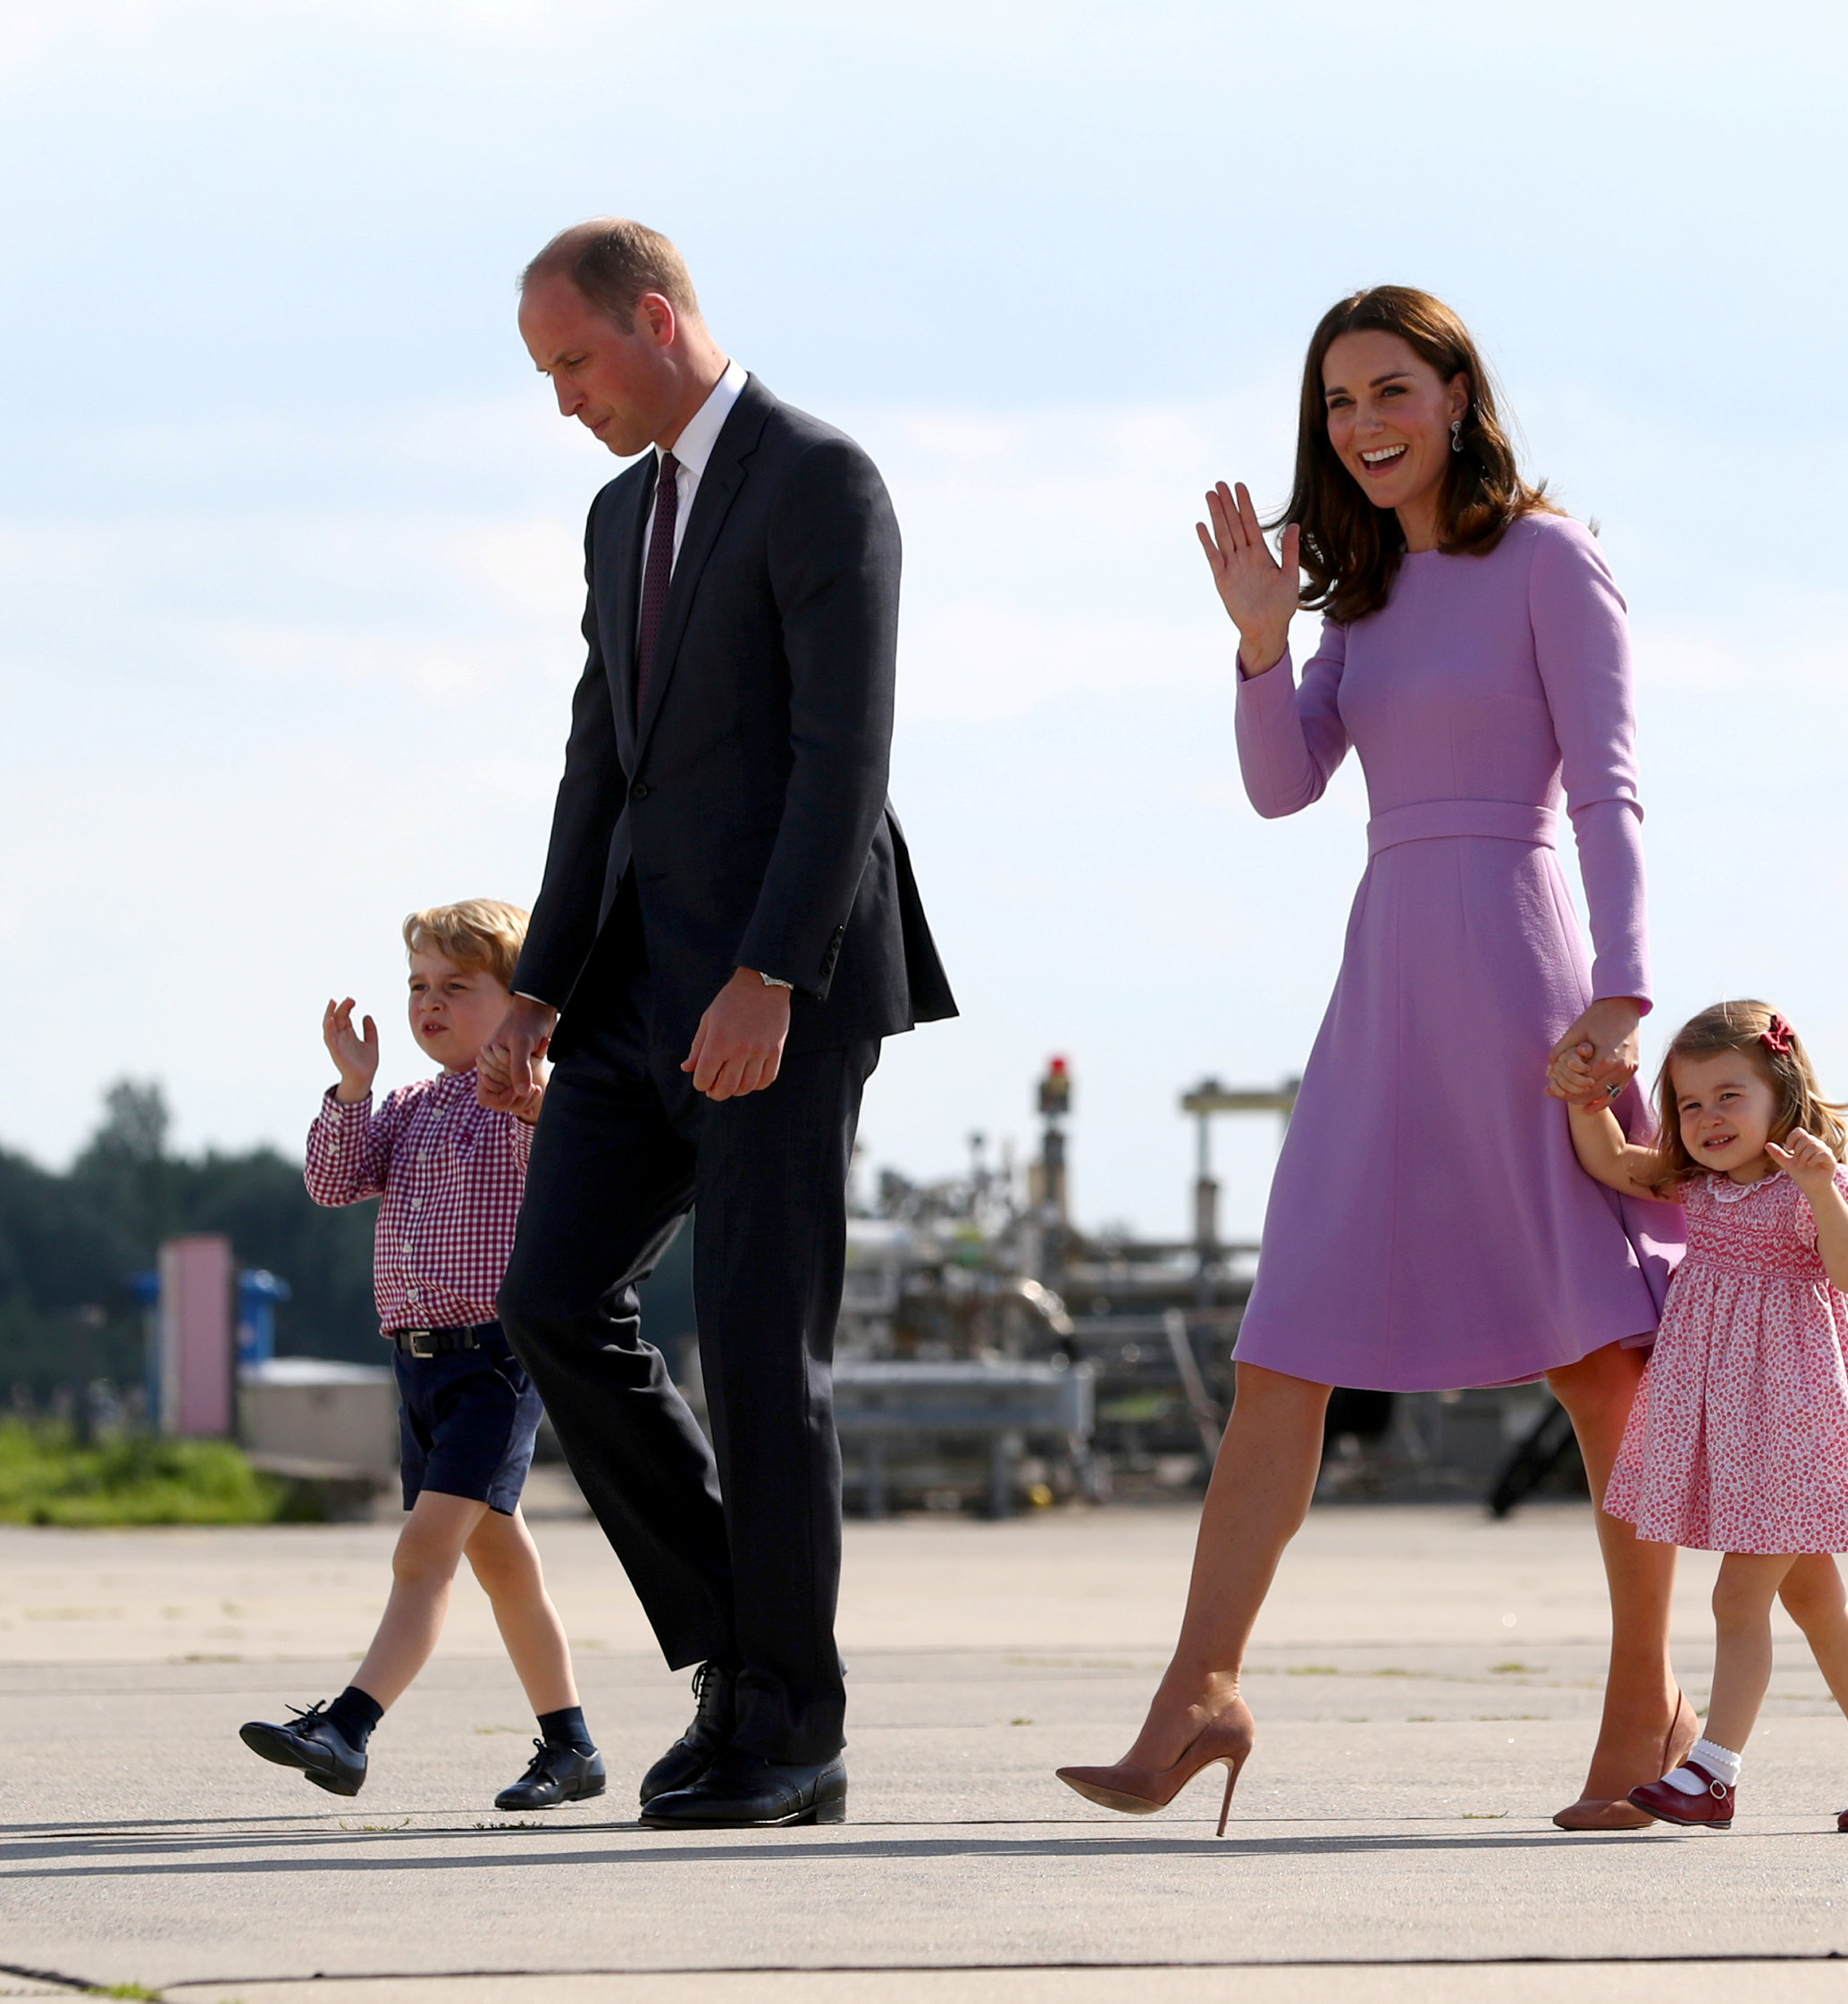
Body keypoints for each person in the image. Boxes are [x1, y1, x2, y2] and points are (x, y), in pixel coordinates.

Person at [1057, 286, 1696, 1836]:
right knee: (1287, 1342)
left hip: (1527, 967)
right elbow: (1286, 787)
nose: (1364, 423)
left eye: (1392, 388)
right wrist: (1263, 646)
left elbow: (1610, 787)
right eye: (1338, 401)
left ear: (1459, 396)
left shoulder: (1552, 556)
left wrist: (1624, 992)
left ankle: (1646, 1700)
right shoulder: (1361, 595)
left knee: (1599, 1355)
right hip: (1385, 969)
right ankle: (1198, 1693)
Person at [480, 218, 954, 1833]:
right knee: (550, 1296)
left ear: (657, 320)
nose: (564, 403)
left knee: (761, 1358)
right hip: (628, 994)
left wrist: (776, 973)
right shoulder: (621, 518)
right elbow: (594, 768)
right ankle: (736, 1652)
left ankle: (792, 1724)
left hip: (777, 991)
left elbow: (846, 759)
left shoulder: (822, 480)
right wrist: (538, 984)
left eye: (574, 363)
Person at [239, 899, 604, 1814]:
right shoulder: (407, 1108)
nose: (429, 1004)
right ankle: (572, 1746)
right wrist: (353, 1086)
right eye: (417, 987)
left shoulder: (528, 1101)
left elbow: (573, 1146)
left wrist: (527, 1085)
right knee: (502, 1563)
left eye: (456, 986)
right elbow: (331, 1182)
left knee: (423, 1551)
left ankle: (349, 1725)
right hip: (420, 1363)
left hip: (493, 1360)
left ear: (521, 1002)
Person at [1558, 999, 1848, 1832]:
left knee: (1739, 1598)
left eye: (1729, 1096)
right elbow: (1618, 1164)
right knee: (1815, 1600)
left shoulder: (1815, 1184)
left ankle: (1713, 1771)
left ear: (1781, 1093)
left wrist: (1817, 1188)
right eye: (1690, 1104)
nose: (1707, 1119)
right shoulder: (1698, 1184)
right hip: (1738, 1418)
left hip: (1798, 1415)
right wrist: (1586, 1102)